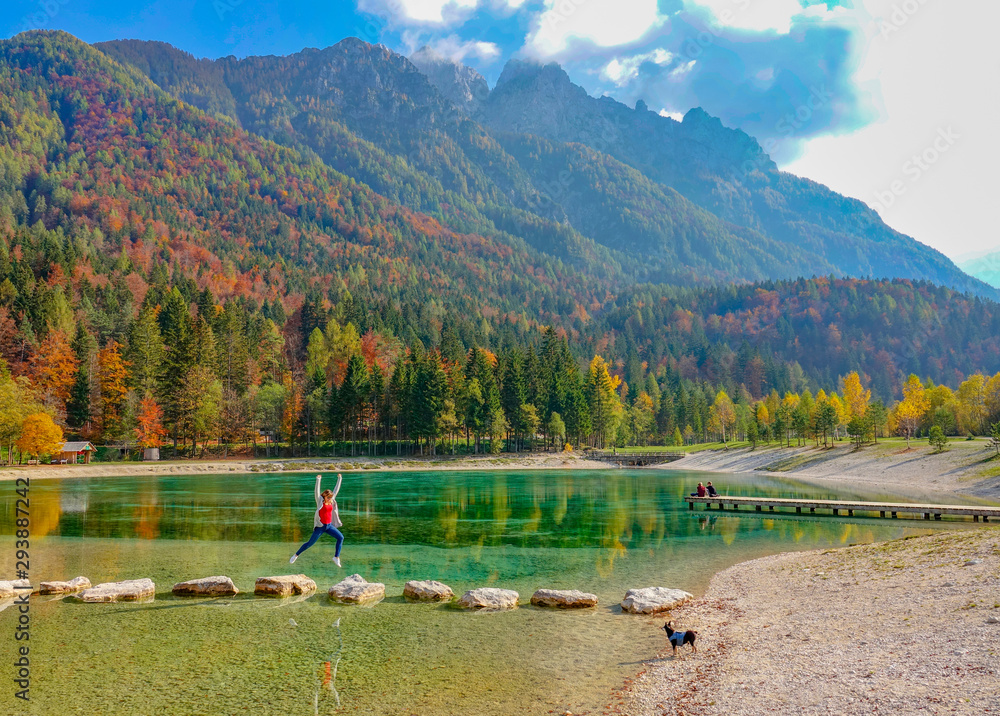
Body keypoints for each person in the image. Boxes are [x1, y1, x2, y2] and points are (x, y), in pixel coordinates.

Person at [290, 473, 344, 567]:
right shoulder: (320, 501)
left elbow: (336, 490)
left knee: (341, 537)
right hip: (320, 527)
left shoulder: (332, 500)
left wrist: (340, 478)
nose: (330, 499)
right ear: (324, 496)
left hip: (329, 526)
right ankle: (296, 555)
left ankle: (336, 557)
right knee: (309, 543)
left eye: (331, 497)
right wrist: (318, 480)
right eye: (328, 497)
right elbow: (316, 491)